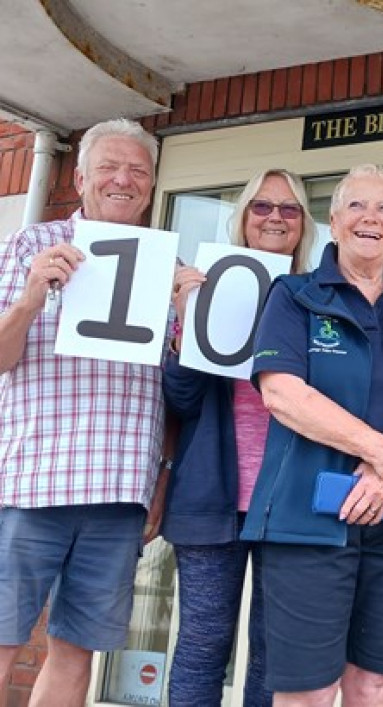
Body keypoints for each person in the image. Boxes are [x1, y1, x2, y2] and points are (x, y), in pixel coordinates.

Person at [242, 163, 383, 706]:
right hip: (308, 521)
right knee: (309, 691)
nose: (371, 218)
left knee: (376, 684)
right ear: (333, 222)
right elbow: (282, 394)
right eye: (357, 206)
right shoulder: (293, 296)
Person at [0, 118, 166, 705]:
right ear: (81, 177)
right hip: (30, 481)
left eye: (137, 172)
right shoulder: (29, 245)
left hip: (118, 490)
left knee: (75, 653)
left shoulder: (164, 264)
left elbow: (175, 389)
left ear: (150, 185)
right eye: (110, 168)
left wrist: (161, 478)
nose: (124, 180)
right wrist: (29, 299)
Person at [162, 168, 317, 706]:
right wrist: (184, 324)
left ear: (304, 225)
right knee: (203, 646)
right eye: (262, 206)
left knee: (275, 655)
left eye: (289, 208)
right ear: (243, 217)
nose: (275, 217)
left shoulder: (316, 298)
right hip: (212, 497)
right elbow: (180, 402)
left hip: (287, 503)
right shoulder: (209, 287)